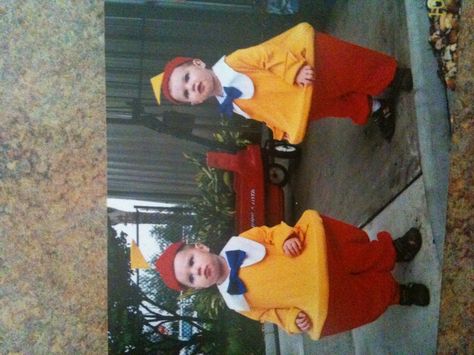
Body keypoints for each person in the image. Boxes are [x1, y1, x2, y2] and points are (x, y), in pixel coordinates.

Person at [155, 210, 429, 340]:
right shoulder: (234, 301)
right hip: (314, 294)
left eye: (191, 261)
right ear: (198, 287)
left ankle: (392, 251)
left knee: (357, 255)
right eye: (191, 278)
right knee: (360, 299)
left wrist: (286, 238)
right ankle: (396, 293)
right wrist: (290, 319)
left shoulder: (239, 243)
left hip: (316, 255)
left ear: (200, 248)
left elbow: (270, 232)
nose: (197, 271)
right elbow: (268, 314)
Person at [150, 22, 412, 143]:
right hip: (299, 102)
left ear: (198, 64)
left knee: (348, 67)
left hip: (304, 71)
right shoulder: (227, 104)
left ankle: (392, 76)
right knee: (338, 105)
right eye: (186, 94)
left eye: (186, 78)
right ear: (194, 102)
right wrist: (280, 129)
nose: (190, 87)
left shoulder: (235, 62)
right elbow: (264, 113)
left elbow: (268, 55)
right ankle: (377, 107)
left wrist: (294, 69)